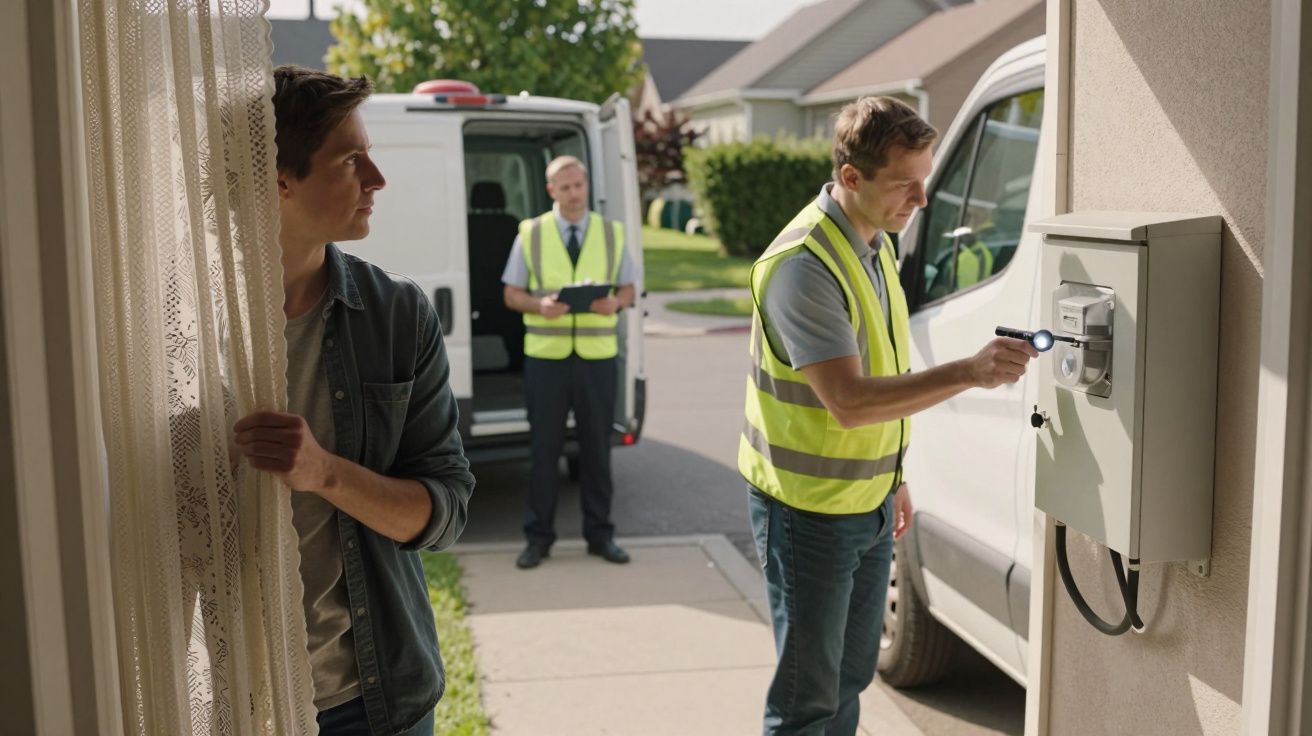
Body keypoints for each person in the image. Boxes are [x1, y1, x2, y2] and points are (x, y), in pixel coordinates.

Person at [738, 96, 1038, 735]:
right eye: (907, 183)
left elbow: (882, 377)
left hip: (866, 502)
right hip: (808, 512)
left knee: (849, 681)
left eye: (926, 178)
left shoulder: (871, 243)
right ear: (852, 178)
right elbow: (848, 402)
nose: (923, 198)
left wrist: (895, 477)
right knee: (805, 702)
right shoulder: (804, 267)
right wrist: (969, 371)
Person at [232, 66, 475, 735]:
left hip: (372, 706)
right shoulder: (181, 332)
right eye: (351, 160)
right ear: (280, 179)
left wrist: (325, 473)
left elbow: (445, 509)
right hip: (231, 704)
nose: (377, 180)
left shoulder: (395, 316)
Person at [500, 155, 639, 570]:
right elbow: (511, 294)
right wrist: (539, 306)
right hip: (547, 361)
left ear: (585, 185)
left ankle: (601, 536)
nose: (574, 194)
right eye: (565, 187)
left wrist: (617, 301)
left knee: (598, 452)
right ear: (551, 191)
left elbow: (630, 290)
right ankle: (537, 539)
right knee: (544, 451)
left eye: (579, 185)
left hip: (597, 360)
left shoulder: (612, 234)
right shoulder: (531, 234)